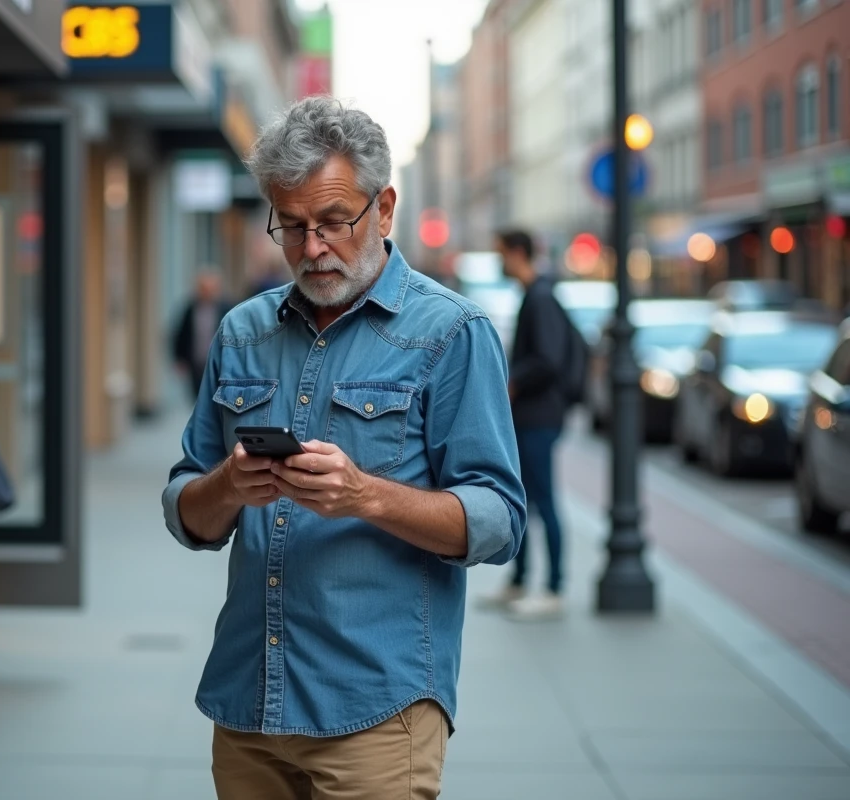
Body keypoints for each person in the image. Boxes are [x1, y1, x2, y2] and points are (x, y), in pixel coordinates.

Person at [161, 96, 526, 799]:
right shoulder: (241, 332)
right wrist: (230, 487)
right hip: (248, 705)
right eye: (291, 227)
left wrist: (365, 495)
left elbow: (499, 520)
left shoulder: (452, 333)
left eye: (333, 222)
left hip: (376, 713)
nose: (312, 247)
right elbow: (187, 513)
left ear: (383, 209)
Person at [479, 229, 570, 620]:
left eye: (501, 253)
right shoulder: (534, 295)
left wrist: (512, 381)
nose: (499, 262)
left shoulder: (541, 297)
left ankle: (553, 588)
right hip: (531, 417)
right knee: (526, 500)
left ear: (517, 253)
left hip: (539, 417)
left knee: (544, 502)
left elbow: (549, 359)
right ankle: (520, 581)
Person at [173, 271, 234, 399]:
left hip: (221, 361)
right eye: (204, 288)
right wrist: (179, 358)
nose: (207, 292)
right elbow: (181, 334)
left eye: (211, 289)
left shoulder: (227, 309)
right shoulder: (190, 309)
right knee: (198, 396)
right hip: (196, 362)